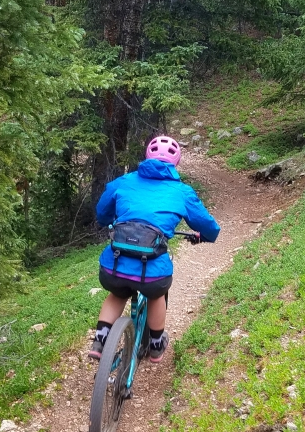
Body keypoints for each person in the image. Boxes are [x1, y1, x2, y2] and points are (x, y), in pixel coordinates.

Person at [90, 135, 220, 362]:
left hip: (113, 266)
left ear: (147, 155)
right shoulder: (182, 192)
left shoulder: (123, 181)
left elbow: (102, 213)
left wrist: (111, 220)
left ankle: (100, 339)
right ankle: (156, 344)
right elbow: (209, 227)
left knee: (118, 292)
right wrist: (205, 237)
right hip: (151, 271)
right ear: (176, 162)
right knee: (156, 292)